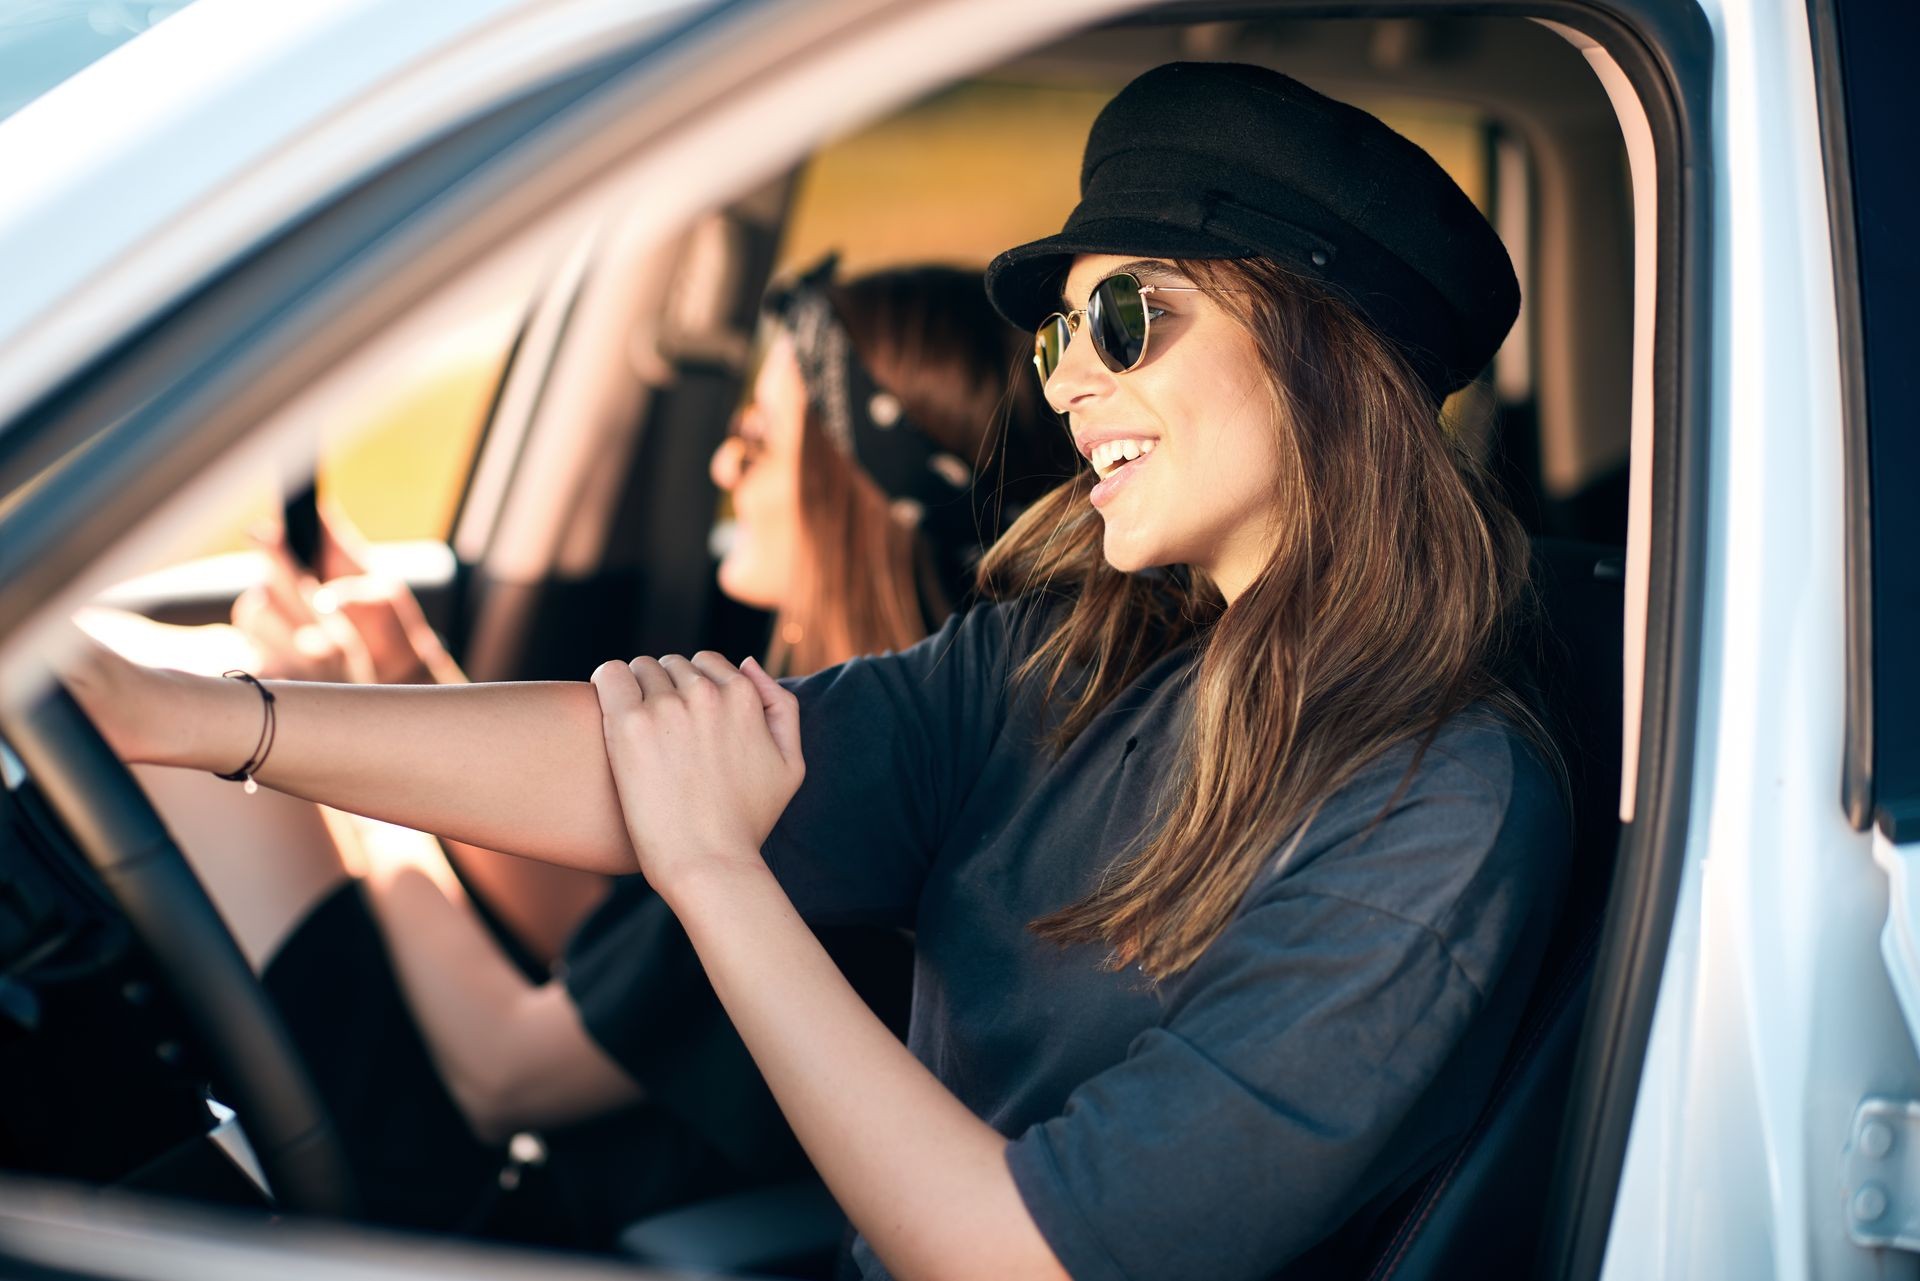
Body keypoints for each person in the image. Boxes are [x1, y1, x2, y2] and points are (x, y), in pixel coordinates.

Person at [68, 62, 1573, 1281]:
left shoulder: (1441, 805)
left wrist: (713, 873)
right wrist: (201, 718)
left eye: (1128, 319)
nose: (1071, 386)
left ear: (1332, 356)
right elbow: (645, 758)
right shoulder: (1069, 658)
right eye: (1060, 340)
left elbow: (1013, 1254)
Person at [96, 257, 1072, 1243]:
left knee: (180, 736)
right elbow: (591, 938)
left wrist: (331, 758)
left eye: (756, 441)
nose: (721, 470)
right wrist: (395, 688)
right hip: (537, 1149)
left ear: (860, 491)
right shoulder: (819, 730)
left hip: (525, 1210)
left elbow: (500, 1071)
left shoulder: (847, 794)